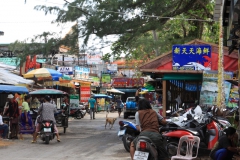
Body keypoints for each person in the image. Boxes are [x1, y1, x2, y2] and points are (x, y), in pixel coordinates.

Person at [130, 89, 169, 160]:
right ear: (148, 104)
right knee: (164, 153)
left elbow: (138, 127)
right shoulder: (154, 112)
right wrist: (167, 122)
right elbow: (163, 121)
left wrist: (142, 132)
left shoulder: (138, 113)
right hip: (155, 136)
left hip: (143, 135)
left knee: (132, 145)